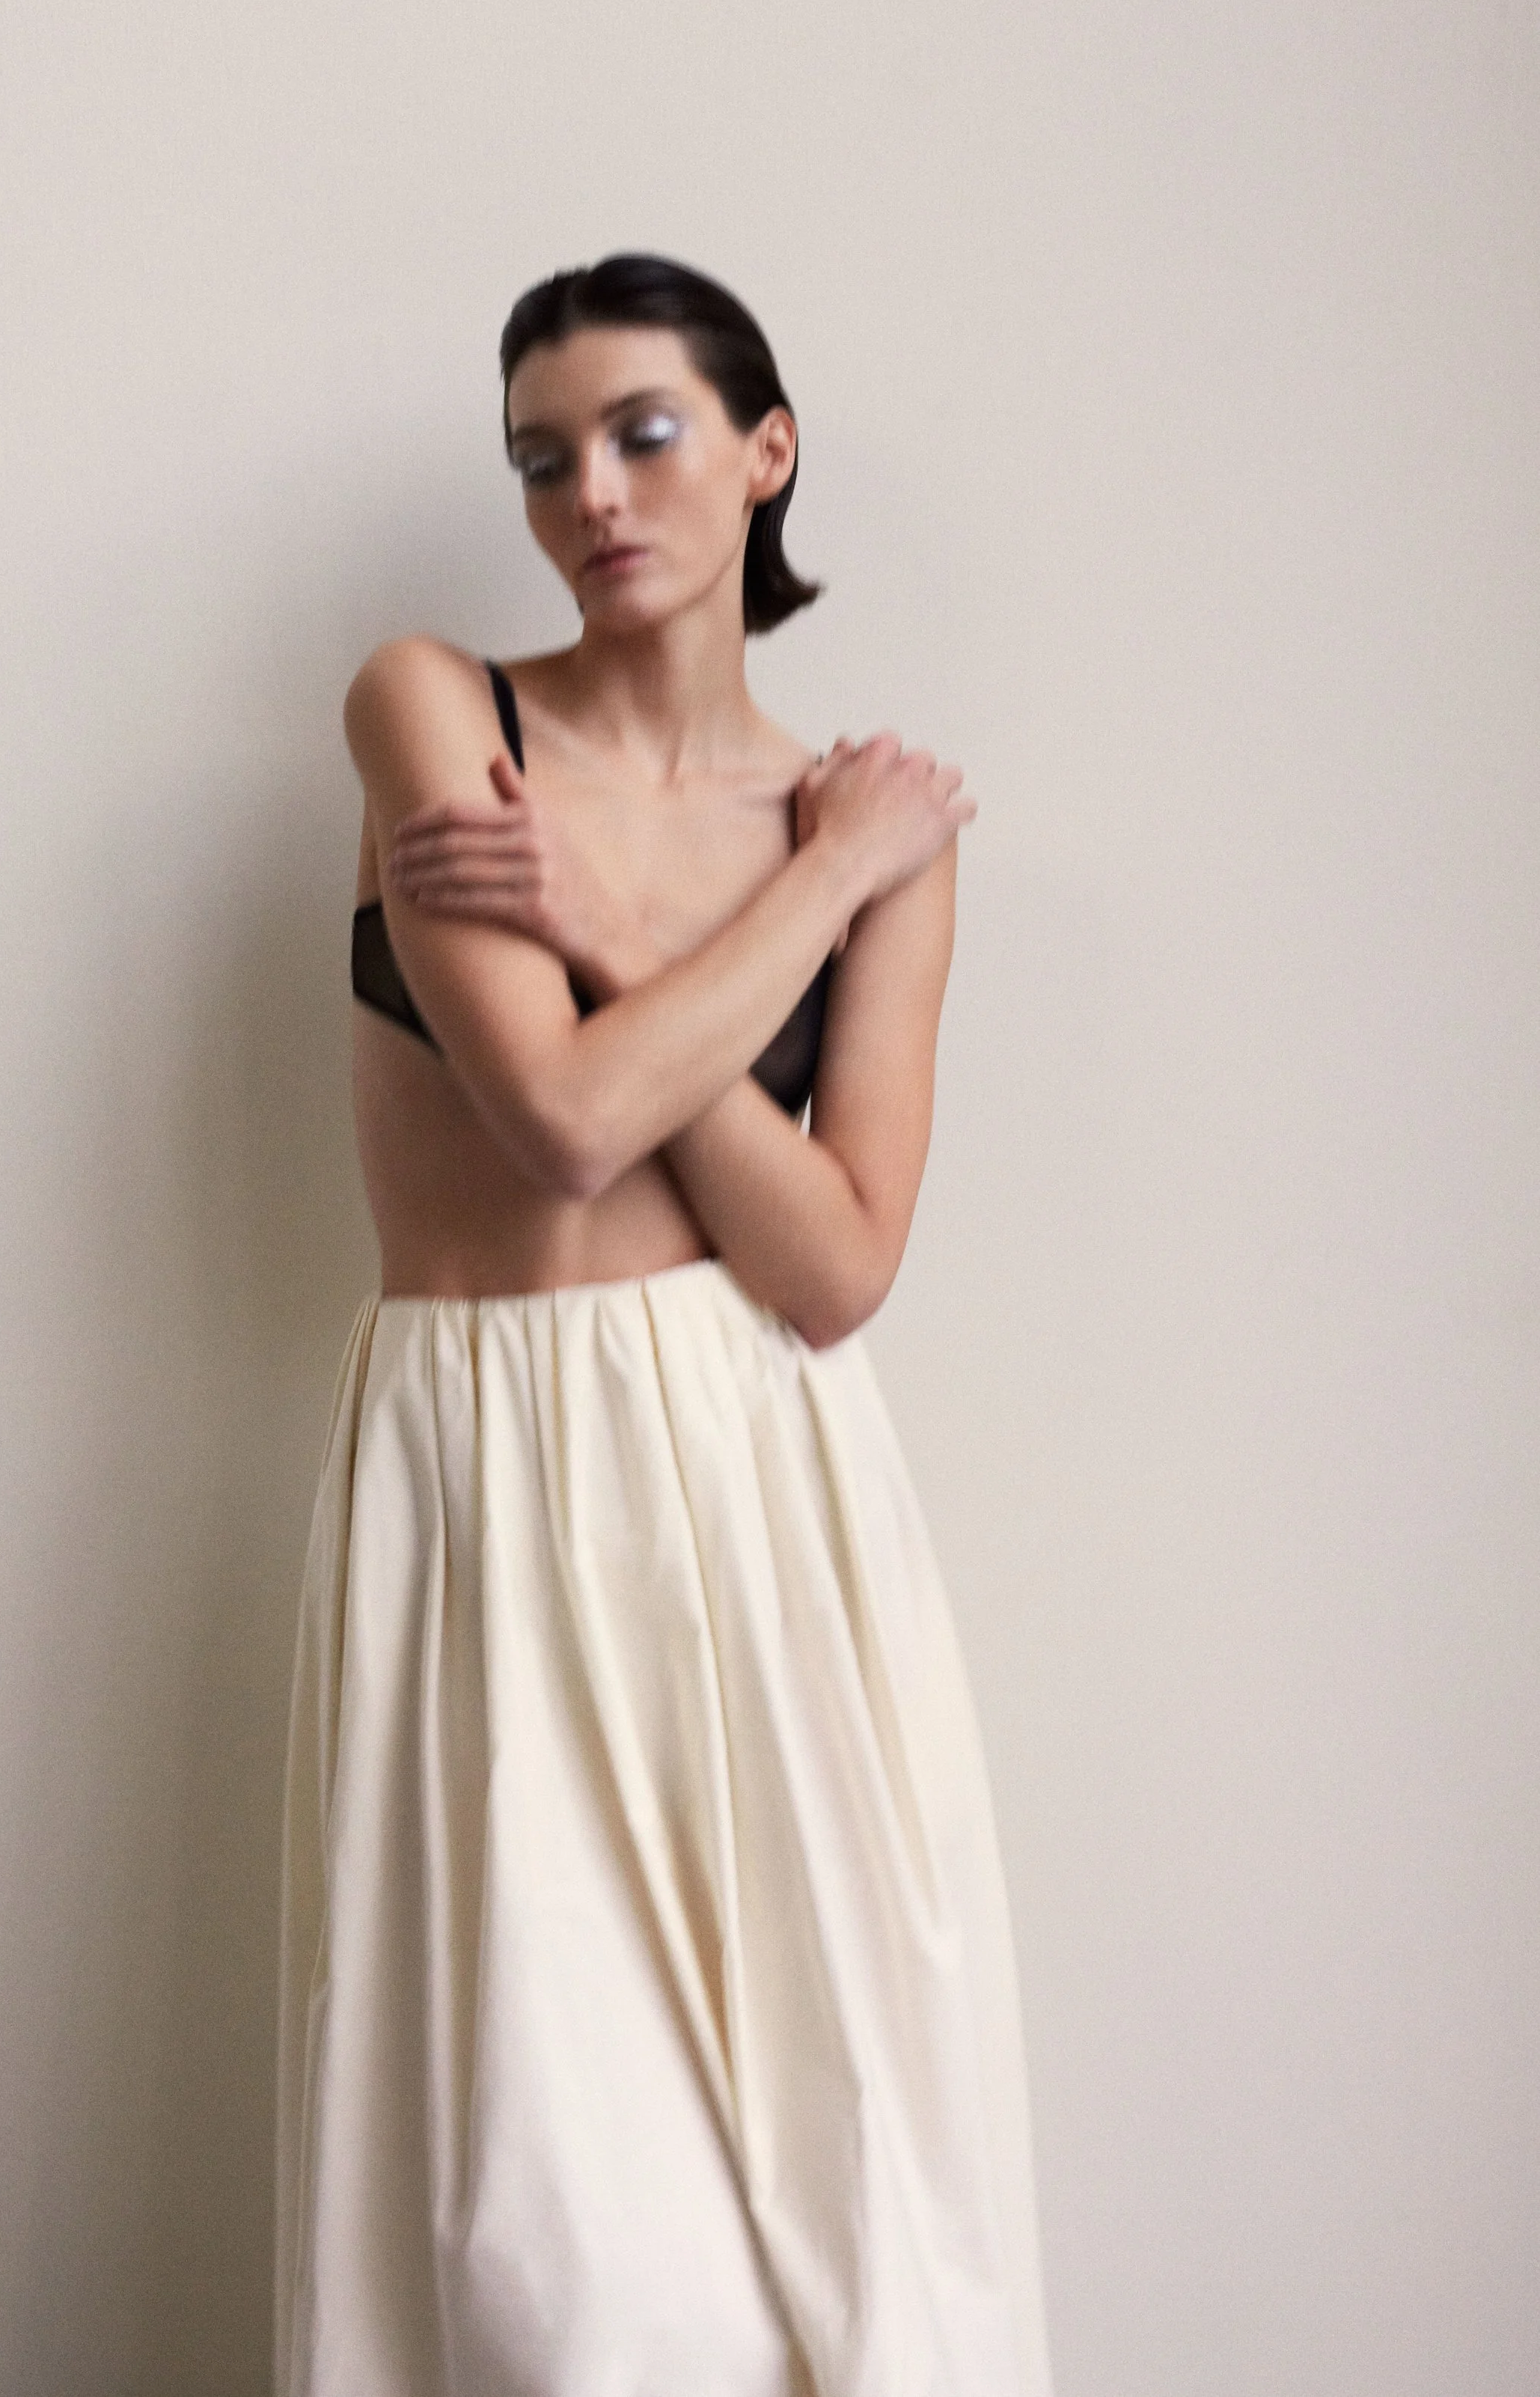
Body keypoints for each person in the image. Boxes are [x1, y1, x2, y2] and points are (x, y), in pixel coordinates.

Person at [275, 254, 1054, 2397]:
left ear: (762, 450)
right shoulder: (436, 706)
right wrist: (793, 893)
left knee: (853, 2213)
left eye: (642, 432)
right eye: (541, 457)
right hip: (496, 1485)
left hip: (764, 1497)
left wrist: (639, 922)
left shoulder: (891, 834)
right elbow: (557, 1119)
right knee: (563, 2258)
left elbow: (827, 1270)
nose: (589, 493)